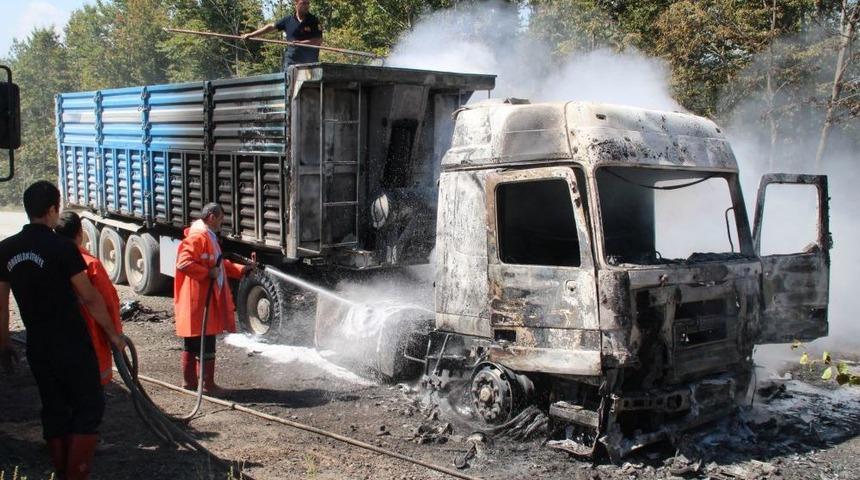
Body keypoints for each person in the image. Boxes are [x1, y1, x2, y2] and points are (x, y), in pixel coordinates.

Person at [0, 181, 125, 480]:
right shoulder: (62, 248)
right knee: (89, 406)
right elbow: (90, 297)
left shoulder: (6, 249)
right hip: (72, 344)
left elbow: (1, 306)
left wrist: (4, 344)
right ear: (53, 209)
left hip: (38, 345)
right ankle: (76, 474)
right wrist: (113, 334)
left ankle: (60, 471)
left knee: (54, 409)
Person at [174, 203, 248, 396]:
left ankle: (189, 382)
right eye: (221, 218)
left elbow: (218, 263)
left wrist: (241, 269)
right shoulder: (199, 236)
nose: (222, 222)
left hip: (196, 300)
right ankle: (207, 385)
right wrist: (207, 273)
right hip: (199, 300)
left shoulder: (207, 237)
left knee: (192, 341)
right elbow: (184, 263)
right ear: (212, 217)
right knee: (206, 341)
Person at [55, 211, 123, 387]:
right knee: (90, 394)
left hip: (59, 338)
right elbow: (108, 302)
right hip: (90, 336)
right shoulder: (90, 264)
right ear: (80, 233)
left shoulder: (48, 260)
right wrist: (115, 335)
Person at [242, 0, 323, 68]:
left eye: (308, 3)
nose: (306, 6)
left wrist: (300, 43)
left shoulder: (314, 21)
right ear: (296, 3)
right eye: (303, 3)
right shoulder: (288, 20)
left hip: (309, 62)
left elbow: (318, 41)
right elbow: (271, 27)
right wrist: (251, 34)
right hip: (291, 61)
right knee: (289, 85)